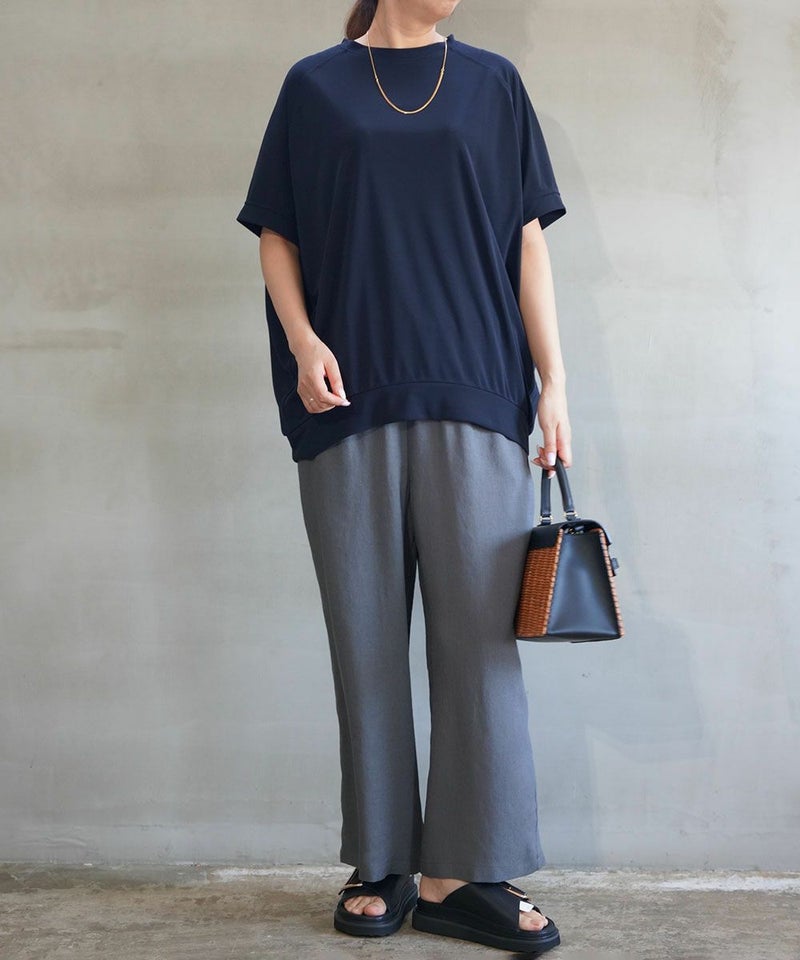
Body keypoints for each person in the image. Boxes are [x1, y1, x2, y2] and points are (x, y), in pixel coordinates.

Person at [236, 0, 572, 953]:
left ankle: (463, 873)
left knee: (480, 649)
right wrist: (304, 343)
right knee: (366, 643)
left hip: (478, 394)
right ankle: (381, 858)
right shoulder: (315, 86)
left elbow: (528, 240)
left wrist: (555, 382)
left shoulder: (494, 84)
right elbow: (276, 232)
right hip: (348, 398)